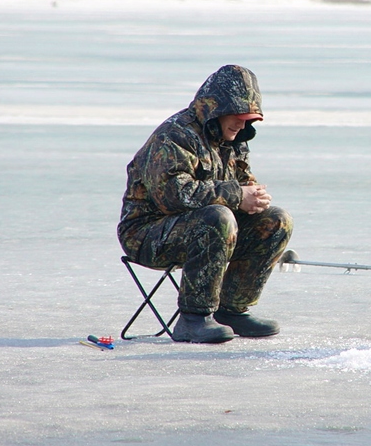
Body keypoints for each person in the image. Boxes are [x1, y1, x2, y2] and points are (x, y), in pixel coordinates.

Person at [118, 64, 293, 344]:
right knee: (217, 217)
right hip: (147, 234)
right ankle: (193, 318)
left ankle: (231, 310)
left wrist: (254, 199)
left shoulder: (231, 140)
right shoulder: (175, 135)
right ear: (216, 111)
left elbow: (241, 182)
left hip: (206, 226)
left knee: (276, 220)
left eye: (248, 119)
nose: (241, 124)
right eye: (236, 117)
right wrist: (237, 196)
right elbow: (173, 196)